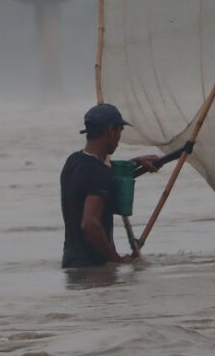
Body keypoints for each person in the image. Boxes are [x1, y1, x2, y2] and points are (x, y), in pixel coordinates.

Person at [60, 103, 160, 268]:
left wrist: (136, 163)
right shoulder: (99, 173)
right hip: (93, 268)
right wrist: (117, 260)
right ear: (111, 131)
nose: (119, 139)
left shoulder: (73, 162)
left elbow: (101, 177)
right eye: (120, 131)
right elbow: (90, 224)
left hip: (71, 263)